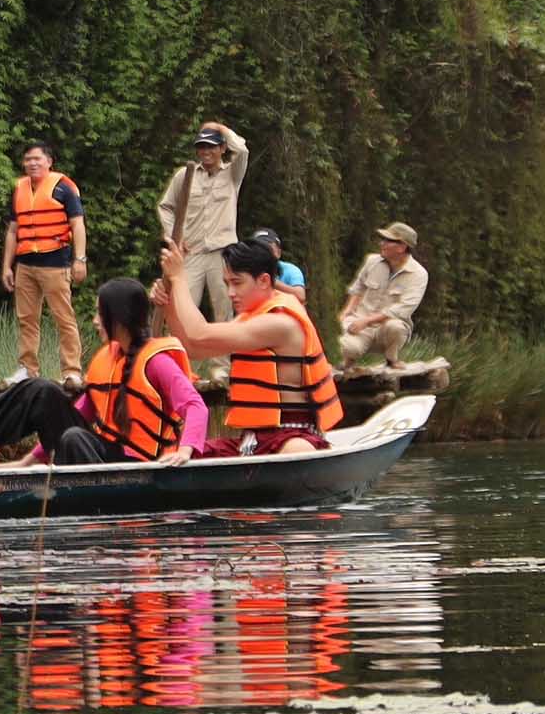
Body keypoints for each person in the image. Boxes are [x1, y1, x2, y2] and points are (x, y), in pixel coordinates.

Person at [161, 236, 344, 452]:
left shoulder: (280, 323)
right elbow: (193, 348)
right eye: (227, 283)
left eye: (237, 283)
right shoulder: (249, 319)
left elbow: (198, 333)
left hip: (291, 435)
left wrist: (180, 279)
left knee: (296, 451)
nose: (230, 293)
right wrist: (169, 303)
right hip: (252, 439)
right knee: (175, 454)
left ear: (264, 281)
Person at [67, 276, 210, 464]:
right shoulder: (106, 359)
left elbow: (196, 406)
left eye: (99, 313)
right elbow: (76, 417)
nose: (95, 321)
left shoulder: (157, 362)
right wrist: (29, 461)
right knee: (48, 399)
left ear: (119, 318)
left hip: (146, 466)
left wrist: (184, 451)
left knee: (75, 437)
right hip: (110, 458)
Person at [155, 123, 251, 335]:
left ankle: (221, 367)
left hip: (222, 253)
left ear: (222, 148)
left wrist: (219, 127)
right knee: (180, 307)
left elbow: (242, 150)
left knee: (224, 311)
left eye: (211, 146)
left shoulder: (232, 174)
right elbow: (166, 207)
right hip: (192, 253)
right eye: (202, 146)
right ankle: (177, 358)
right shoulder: (185, 174)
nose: (206, 151)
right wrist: (175, 238)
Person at [3, 143, 83, 384]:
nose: (32, 163)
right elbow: (12, 230)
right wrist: (7, 266)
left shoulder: (63, 188)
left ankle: (72, 370)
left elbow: (77, 224)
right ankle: (27, 368)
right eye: (28, 159)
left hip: (55, 262)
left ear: (49, 161)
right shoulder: (19, 189)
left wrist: (80, 259)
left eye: (37, 159)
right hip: (25, 264)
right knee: (26, 318)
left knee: (63, 317)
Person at [339, 222, 430, 366]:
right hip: (359, 322)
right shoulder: (371, 261)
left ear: (402, 247)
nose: (382, 243)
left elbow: (404, 309)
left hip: (386, 328)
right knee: (345, 347)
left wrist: (367, 321)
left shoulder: (419, 274)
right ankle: (348, 361)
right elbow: (358, 288)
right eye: (383, 239)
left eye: (388, 240)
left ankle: (391, 358)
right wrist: (346, 312)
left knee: (397, 327)